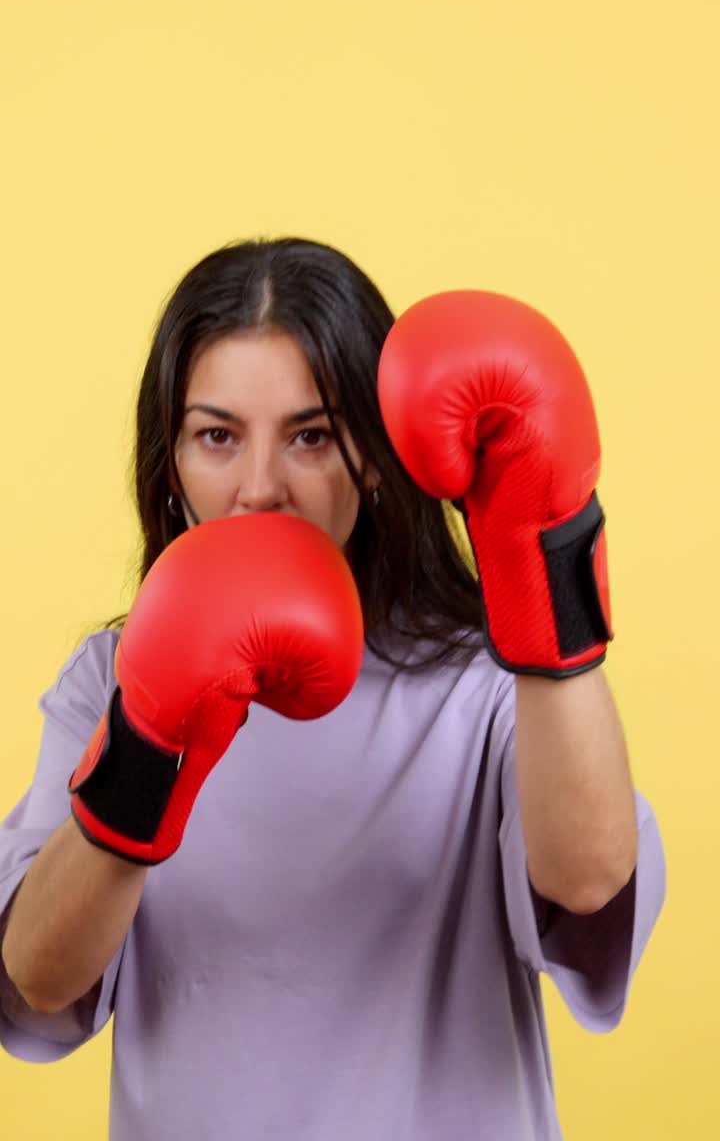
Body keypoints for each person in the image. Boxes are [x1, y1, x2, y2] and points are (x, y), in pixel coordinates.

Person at [0, 237, 665, 1140]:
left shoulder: (483, 679)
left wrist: (544, 569)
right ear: (170, 463)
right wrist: (148, 744)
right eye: (217, 436)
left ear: (374, 458)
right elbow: (38, 978)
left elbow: (588, 881)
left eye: (310, 436)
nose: (260, 488)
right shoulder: (108, 683)